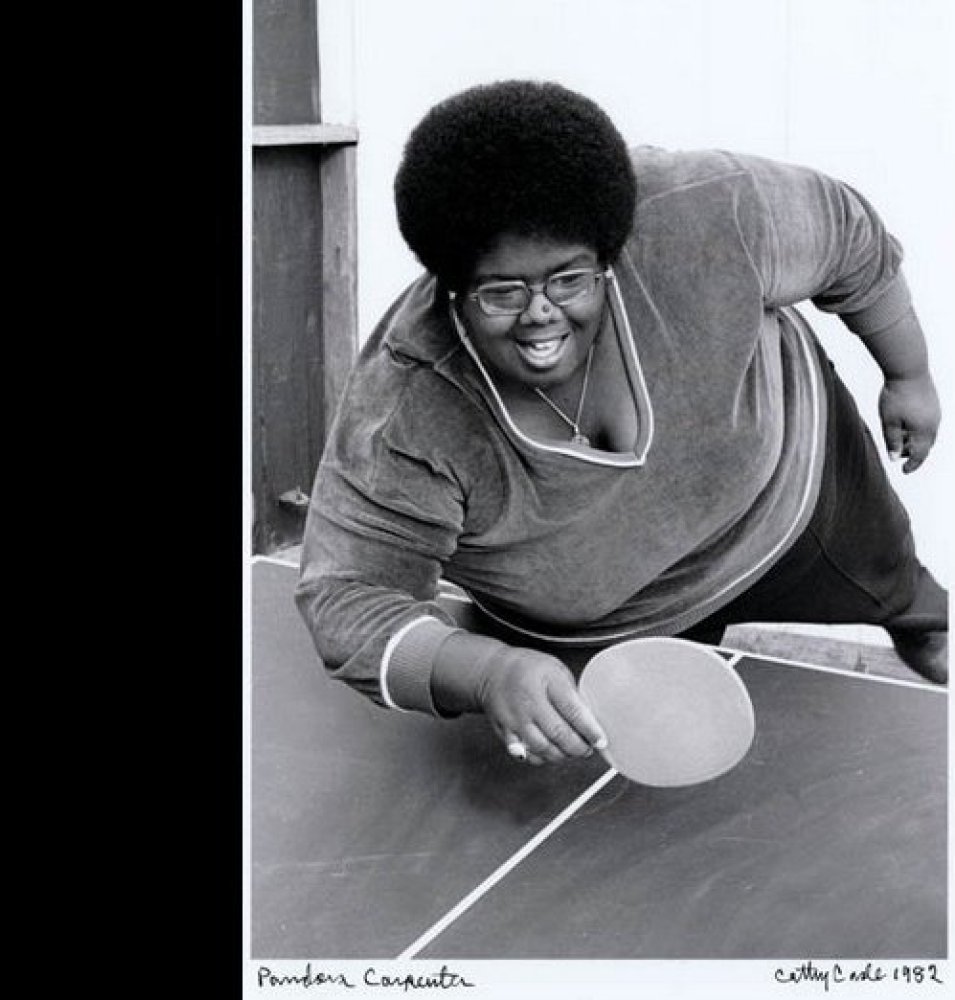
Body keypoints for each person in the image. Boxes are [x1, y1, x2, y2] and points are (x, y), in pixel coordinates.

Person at [294, 79, 947, 767]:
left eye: (568, 279)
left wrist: (909, 374)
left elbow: (847, 232)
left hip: (788, 501)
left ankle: (916, 619)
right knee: (594, 778)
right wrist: (487, 672)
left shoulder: (705, 212)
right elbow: (345, 598)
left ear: (609, 255)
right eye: (502, 291)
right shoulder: (407, 408)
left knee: (905, 593)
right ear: (450, 288)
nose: (540, 312)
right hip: (606, 621)